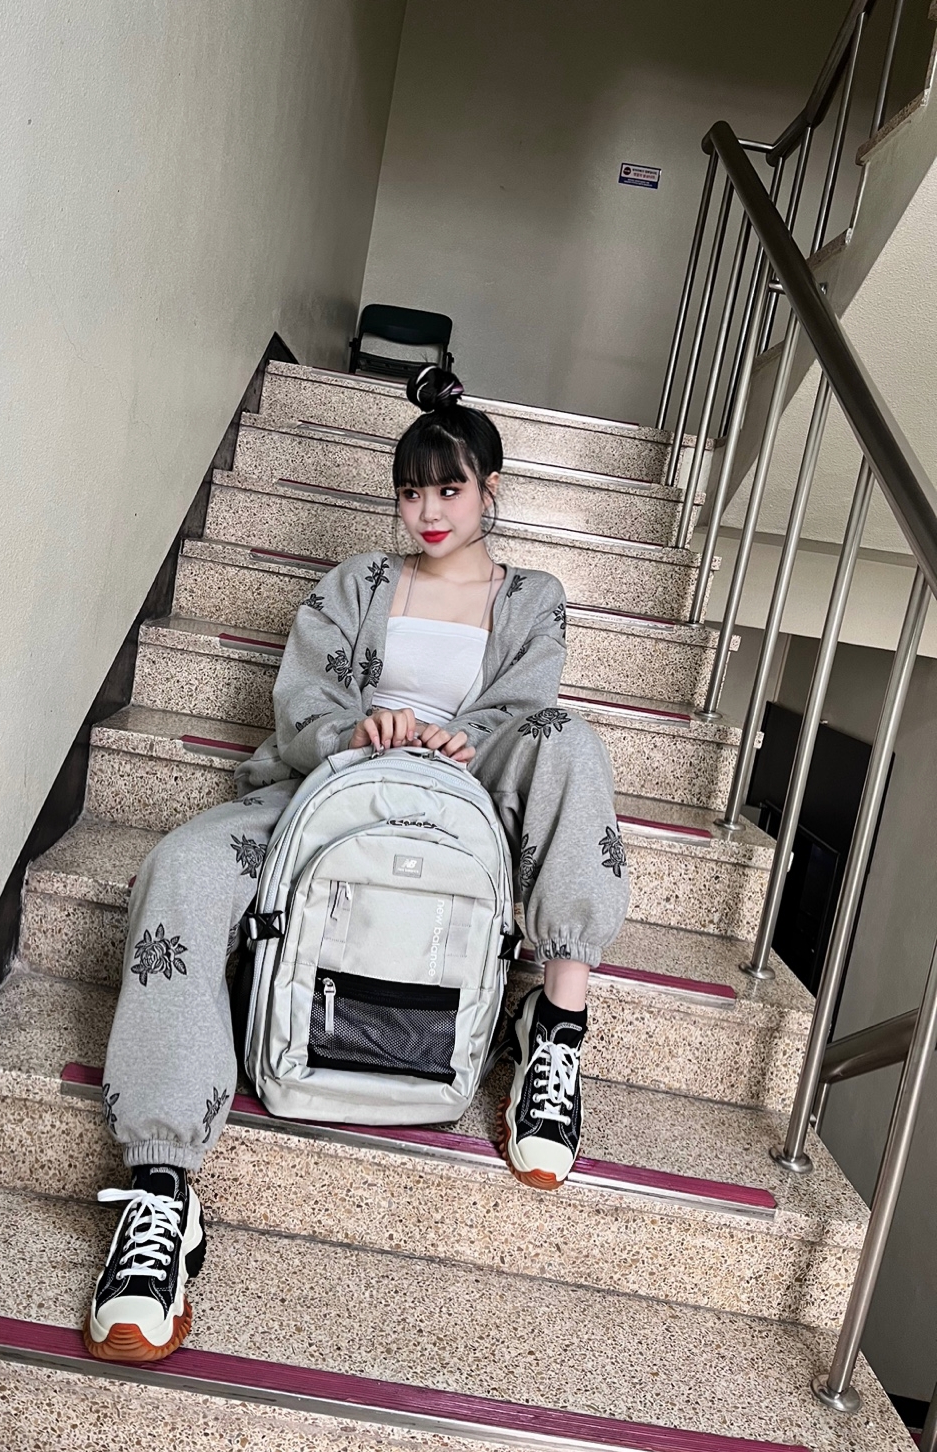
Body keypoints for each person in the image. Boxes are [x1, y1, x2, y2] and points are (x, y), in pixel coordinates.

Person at [83, 365, 631, 1362]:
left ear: (491, 490)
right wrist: (355, 730)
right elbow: (299, 701)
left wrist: (463, 739)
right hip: (325, 796)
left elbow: (527, 707)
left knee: (571, 741)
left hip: (464, 807)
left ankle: (554, 1027)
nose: (429, 511)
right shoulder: (356, 584)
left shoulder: (534, 598)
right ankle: (163, 1186)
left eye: (450, 489)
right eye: (412, 492)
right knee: (183, 871)